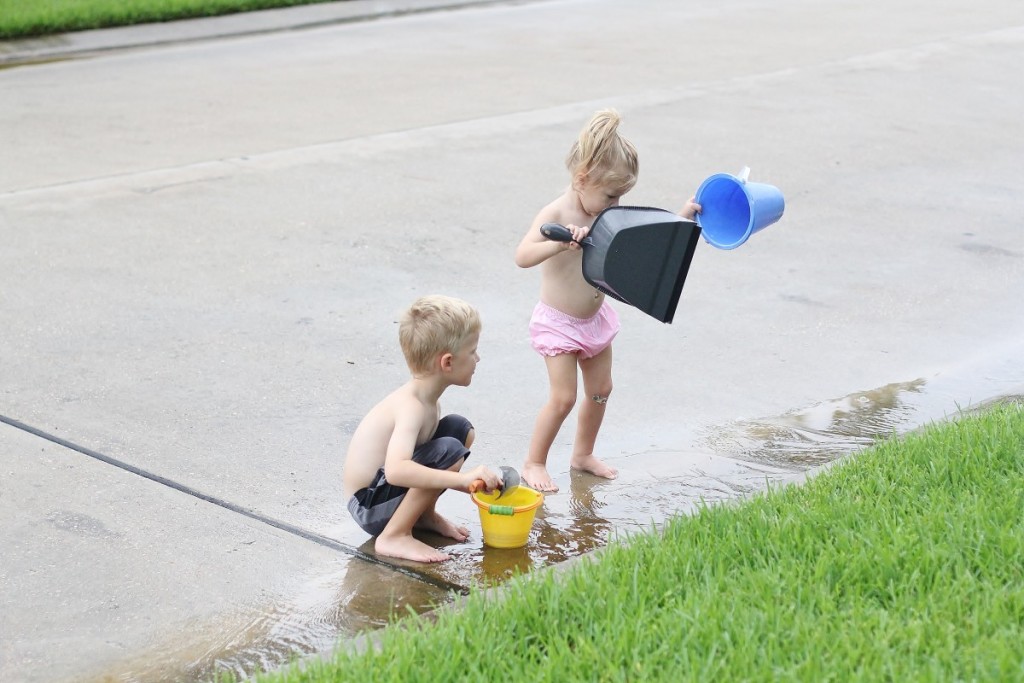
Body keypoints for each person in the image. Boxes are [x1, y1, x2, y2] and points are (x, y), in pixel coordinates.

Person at [514, 109, 700, 492]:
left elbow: (648, 241)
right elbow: (522, 255)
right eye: (611, 195)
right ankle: (534, 462)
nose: (616, 204)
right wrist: (558, 241)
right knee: (563, 398)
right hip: (559, 323)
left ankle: (582, 454)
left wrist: (682, 218)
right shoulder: (557, 212)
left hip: (594, 320)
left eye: (621, 197)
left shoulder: (607, 215)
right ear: (582, 179)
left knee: (601, 391)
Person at [343, 295, 501, 563]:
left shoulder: (427, 399)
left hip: (382, 494)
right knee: (448, 450)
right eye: (472, 351)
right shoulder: (411, 407)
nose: (478, 358)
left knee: (459, 429)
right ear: (447, 362)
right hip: (369, 505)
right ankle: (394, 535)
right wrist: (462, 480)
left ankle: (423, 515)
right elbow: (396, 470)